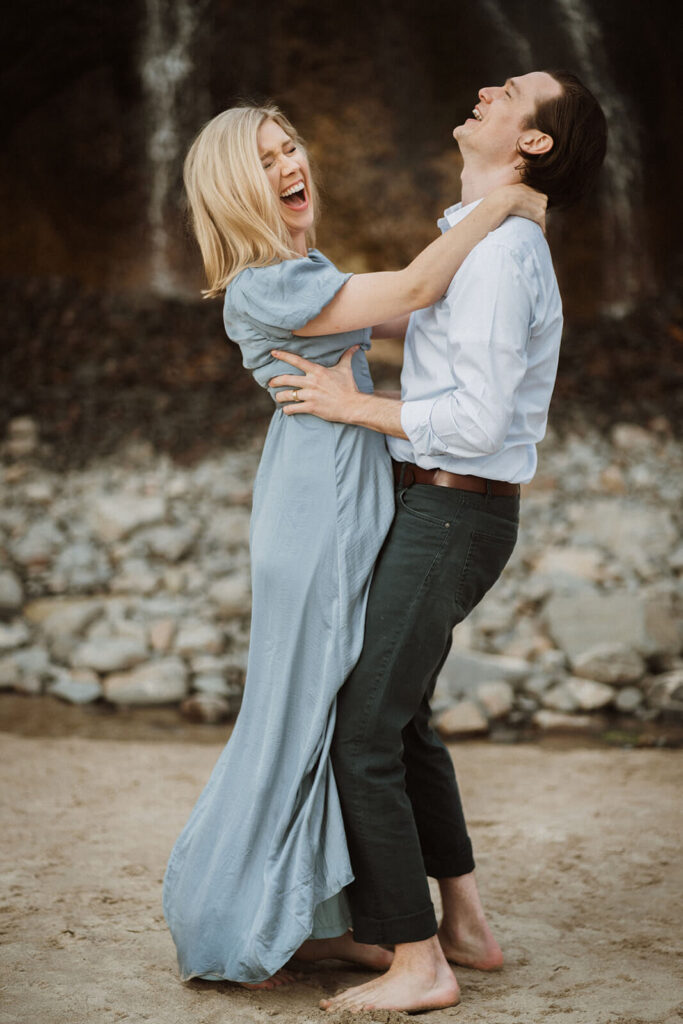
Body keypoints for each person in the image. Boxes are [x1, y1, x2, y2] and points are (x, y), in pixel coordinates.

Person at [161, 103, 546, 990]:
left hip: (344, 491)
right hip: (318, 511)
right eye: (263, 159)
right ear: (232, 189)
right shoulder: (265, 282)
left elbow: (420, 318)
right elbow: (414, 290)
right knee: (317, 713)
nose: (289, 163)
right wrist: (502, 207)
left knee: (378, 713)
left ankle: (386, 921)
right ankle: (267, 908)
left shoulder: (304, 270)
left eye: (290, 144)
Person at [268, 70, 608, 1012]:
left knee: (363, 730)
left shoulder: (502, 256)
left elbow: (478, 417)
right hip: (435, 502)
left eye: (513, 91)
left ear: (532, 143)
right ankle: (464, 925)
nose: (488, 88)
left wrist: (350, 405)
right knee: (404, 717)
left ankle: (417, 962)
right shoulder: (479, 240)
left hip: (455, 507)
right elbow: (405, 323)